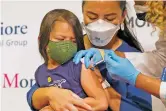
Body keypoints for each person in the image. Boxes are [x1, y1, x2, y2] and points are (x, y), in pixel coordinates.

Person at [27, 1, 164, 111]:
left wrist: (103, 86)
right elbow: (41, 83)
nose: (100, 23)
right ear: (83, 13)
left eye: (109, 18)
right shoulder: (71, 47)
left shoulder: (133, 58)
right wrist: (50, 94)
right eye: (92, 17)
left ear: (122, 16)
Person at [30, 9, 110, 111]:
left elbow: (100, 102)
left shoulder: (81, 65)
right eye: (60, 39)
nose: (67, 46)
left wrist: (62, 108)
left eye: (73, 41)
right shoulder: (40, 73)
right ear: (42, 40)